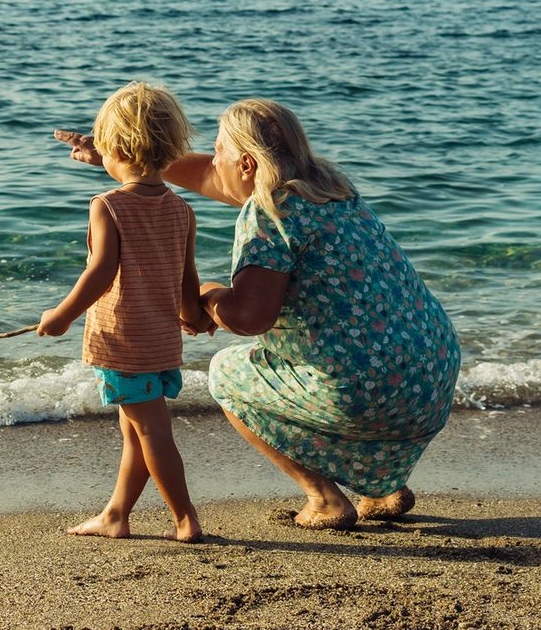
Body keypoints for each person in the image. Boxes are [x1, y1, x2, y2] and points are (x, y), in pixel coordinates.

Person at [55, 99, 459, 530]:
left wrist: (206, 297)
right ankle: (381, 487)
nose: (212, 161)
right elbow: (214, 178)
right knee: (350, 361)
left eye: (218, 151)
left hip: (370, 391)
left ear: (246, 163)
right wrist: (127, 161)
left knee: (228, 372)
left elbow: (249, 319)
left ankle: (325, 499)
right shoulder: (331, 190)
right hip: (430, 376)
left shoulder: (269, 213)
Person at [39, 82, 210, 543]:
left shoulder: (108, 206)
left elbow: (99, 273)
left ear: (112, 148)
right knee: (135, 432)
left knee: (151, 431)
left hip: (123, 340)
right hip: (161, 339)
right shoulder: (181, 209)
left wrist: (62, 314)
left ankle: (185, 519)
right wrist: (192, 315)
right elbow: (186, 277)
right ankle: (117, 514)